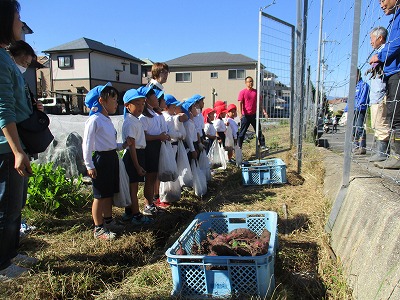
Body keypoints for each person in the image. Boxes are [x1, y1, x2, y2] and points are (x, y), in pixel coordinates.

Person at [0, 0, 38, 280]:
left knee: (15, 205)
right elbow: (3, 108)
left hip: (14, 145)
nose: (20, 25)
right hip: (5, 148)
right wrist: (16, 150)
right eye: (17, 19)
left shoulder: (4, 56)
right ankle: (2, 264)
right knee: (7, 206)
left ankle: (11, 253)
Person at [82, 83, 132, 240]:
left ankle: (108, 221)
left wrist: (122, 145)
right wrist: (89, 165)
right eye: (114, 99)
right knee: (99, 195)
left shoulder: (106, 119)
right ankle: (98, 228)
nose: (116, 103)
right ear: (101, 101)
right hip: (101, 160)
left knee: (108, 193)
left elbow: (109, 144)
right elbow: (87, 144)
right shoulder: (94, 120)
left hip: (111, 157)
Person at [370, 0, 400, 169]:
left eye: (383, 0)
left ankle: (396, 155)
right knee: (392, 116)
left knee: (395, 117)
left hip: (397, 71)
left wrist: (381, 57)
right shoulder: (395, 18)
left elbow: (397, 41)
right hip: (393, 71)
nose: (381, 4)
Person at [121, 89, 152, 225]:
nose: (140, 107)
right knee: (133, 188)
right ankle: (136, 215)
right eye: (137, 104)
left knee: (132, 187)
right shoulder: (130, 122)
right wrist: (137, 165)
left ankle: (128, 213)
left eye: (142, 104)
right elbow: (131, 146)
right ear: (127, 106)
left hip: (139, 154)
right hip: (133, 156)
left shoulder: (135, 120)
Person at [138, 86, 170, 215]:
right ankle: (148, 204)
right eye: (154, 96)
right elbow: (143, 136)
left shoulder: (154, 114)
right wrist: (159, 136)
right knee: (150, 178)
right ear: (147, 99)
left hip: (156, 146)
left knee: (154, 176)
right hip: (149, 148)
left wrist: (162, 136)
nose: (157, 99)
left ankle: (151, 203)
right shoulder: (143, 117)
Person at [367, 26, 391, 162]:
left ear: (380, 38)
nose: (371, 42)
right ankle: (380, 152)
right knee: (376, 124)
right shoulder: (379, 54)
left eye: (372, 38)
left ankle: (383, 153)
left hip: (380, 95)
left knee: (381, 124)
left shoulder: (383, 53)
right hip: (375, 96)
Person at [8, 40, 44, 113]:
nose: (24, 67)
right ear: (11, 57)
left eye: (27, 65)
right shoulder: (5, 78)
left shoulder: (22, 81)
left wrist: (36, 106)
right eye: (23, 62)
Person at [237, 76, 267, 149]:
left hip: (254, 115)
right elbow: (240, 103)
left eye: (252, 81)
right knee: (242, 132)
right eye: (249, 81)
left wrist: (264, 112)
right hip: (245, 116)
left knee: (258, 130)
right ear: (245, 83)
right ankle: (238, 147)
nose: (250, 83)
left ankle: (262, 145)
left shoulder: (256, 92)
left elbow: (260, 103)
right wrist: (240, 114)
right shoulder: (242, 92)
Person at [348, 70, 370, 155]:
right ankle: (356, 146)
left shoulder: (364, 85)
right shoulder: (354, 87)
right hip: (352, 110)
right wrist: (347, 109)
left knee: (359, 127)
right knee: (354, 129)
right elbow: (350, 99)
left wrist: (359, 106)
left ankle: (362, 147)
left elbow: (363, 97)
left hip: (360, 109)